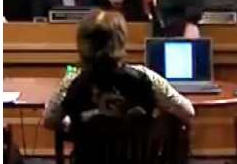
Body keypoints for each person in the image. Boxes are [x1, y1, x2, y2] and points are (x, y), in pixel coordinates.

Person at [42, 9, 195, 134]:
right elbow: (188, 112)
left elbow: (49, 120)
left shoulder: (72, 81)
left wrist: (75, 125)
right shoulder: (146, 77)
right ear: (120, 41)